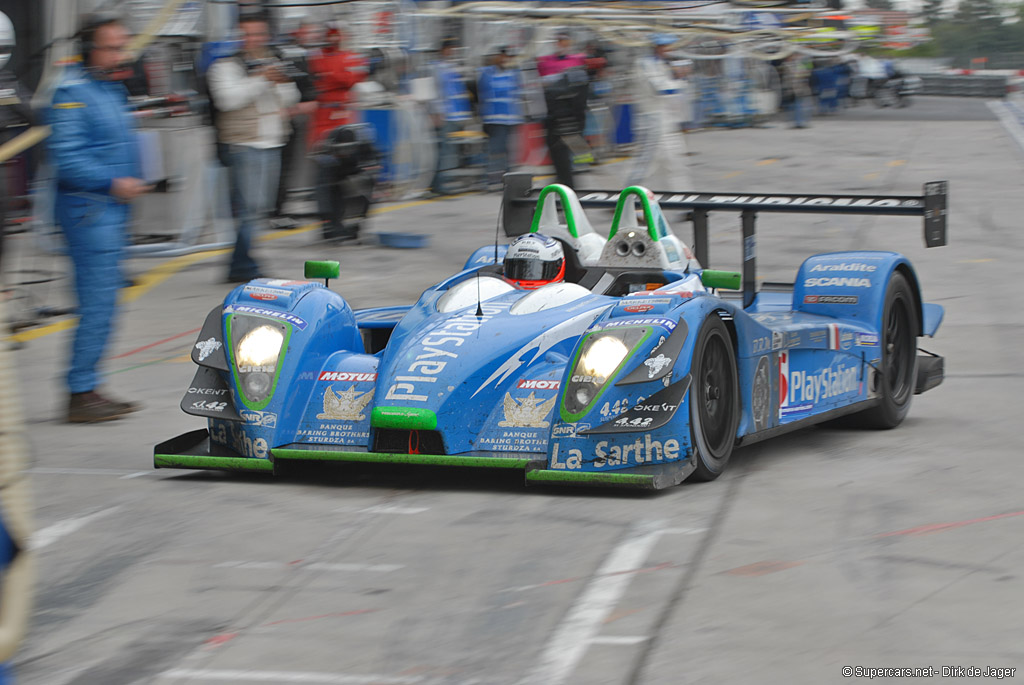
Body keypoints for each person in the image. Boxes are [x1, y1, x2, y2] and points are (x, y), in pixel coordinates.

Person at [47, 13, 148, 422]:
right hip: (89, 212)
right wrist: (112, 182)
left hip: (110, 212)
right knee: (97, 303)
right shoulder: (70, 92)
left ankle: (89, 385)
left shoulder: (111, 89)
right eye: (111, 47)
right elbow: (66, 158)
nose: (120, 54)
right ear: (89, 50)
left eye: (122, 46)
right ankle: (80, 392)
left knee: (105, 304)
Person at [207, 12, 300, 283]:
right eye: (247, 34)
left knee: (260, 209)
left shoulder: (273, 61)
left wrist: (281, 82)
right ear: (238, 36)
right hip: (243, 145)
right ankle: (243, 264)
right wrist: (262, 79)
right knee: (249, 209)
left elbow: (290, 98)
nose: (253, 40)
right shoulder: (225, 67)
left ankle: (240, 262)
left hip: (272, 142)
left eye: (258, 34)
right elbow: (227, 100)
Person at [625, 34, 694, 191]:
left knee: (677, 161)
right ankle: (627, 198)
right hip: (652, 120)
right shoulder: (645, 64)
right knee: (645, 163)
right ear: (656, 47)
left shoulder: (661, 64)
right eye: (664, 46)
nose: (667, 50)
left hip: (666, 119)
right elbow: (661, 89)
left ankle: (685, 202)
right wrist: (681, 79)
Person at [271, 21, 320, 228]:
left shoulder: (303, 56)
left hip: (287, 121)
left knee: (284, 167)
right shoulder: (287, 55)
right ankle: (275, 211)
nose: (313, 35)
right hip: (276, 121)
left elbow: (310, 96)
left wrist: (294, 110)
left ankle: (277, 209)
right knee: (279, 168)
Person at [538, 32, 589, 188]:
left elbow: (581, 93)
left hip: (569, 117)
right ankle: (564, 184)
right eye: (560, 42)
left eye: (565, 42)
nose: (562, 45)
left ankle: (568, 185)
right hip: (556, 117)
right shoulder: (546, 62)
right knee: (560, 158)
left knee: (566, 156)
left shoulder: (576, 61)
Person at [427, 37, 473, 196]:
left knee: (450, 152)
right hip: (443, 115)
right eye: (450, 49)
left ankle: (445, 182)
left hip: (455, 116)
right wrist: (435, 112)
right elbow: (434, 92)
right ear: (443, 50)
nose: (452, 52)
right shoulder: (435, 68)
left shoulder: (452, 67)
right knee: (442, 151)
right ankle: (438, 184)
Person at [308, 24, 366, 146]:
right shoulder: (316, 57)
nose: (333, 40)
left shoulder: (352, 57)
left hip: (344, 110)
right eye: (330, 36)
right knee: (320, 147)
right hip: (323, 112)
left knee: (347, 144)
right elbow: (315, 80)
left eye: (336, 35)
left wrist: (329, 75)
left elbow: (352, 79)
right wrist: (336, 75)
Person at [477, 47, 523, 190]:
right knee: (495, 151)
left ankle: (507, 180)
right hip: (495, 120)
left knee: (509, 151)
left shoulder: (514, 73)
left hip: (511, 119)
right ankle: (490, 180)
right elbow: (482, 94)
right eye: (501, 56)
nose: (504, 59)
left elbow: (517, 93)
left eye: (507, 57)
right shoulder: (487, 73)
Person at [781, 53, 811, 129]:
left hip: (799, 89)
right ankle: (796, 122)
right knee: (794, 107)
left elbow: (806, 73)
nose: (796, 57)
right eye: (794, 56)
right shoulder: (787, 65)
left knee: (798, 106)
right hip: (792, 89)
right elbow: (795, 74)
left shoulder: (797, 64)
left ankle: (799, 122)